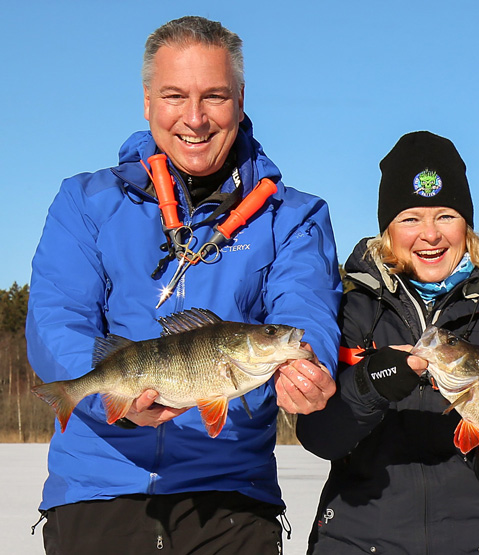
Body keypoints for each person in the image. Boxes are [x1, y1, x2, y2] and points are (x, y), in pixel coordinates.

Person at [26, 16, 341, 555]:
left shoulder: (293, 216)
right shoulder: (85, 201)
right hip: (98, 492)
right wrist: (113, 396)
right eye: (174, 95)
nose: (194, 119)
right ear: (147, 101)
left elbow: (305, 308)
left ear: (240, 100)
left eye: (214, 96)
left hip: (232, 503)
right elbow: (57, 321)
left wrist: (310, 365)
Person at [296, 130, 479, 554]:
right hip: (357, 543)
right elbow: (322, 438)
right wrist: (374, 383)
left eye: (445, 215)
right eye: (411, 218)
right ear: (387, 230)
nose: (430, 235)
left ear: (466, 225)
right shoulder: (349, 316)